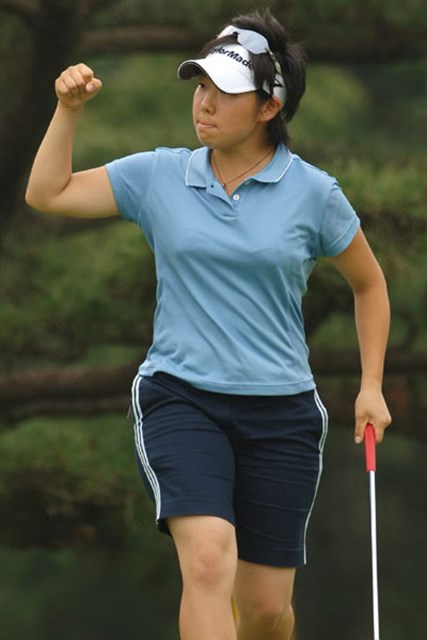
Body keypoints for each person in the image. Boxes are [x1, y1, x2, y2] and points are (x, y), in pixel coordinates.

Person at [25, 9, 391, 640]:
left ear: (269, 107)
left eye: (225, 92)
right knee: (208, 558)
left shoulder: (314, 193)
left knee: (267, 610)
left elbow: (370, 284)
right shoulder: (160, 175)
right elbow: (47, 193)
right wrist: (68, 111)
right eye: (201, 87)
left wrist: (372, 385)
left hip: (282, 412)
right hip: (181, 396)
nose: (206, 103)